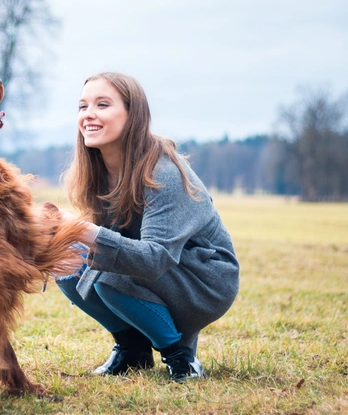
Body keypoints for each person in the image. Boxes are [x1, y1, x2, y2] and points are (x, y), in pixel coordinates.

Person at [55, 71, 240, 382]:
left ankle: (181, 358)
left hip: (204, 278)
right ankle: (133, 350)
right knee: (65, 258)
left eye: (102, 105)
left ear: (133, 114)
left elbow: (155, 258)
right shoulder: (99, 171)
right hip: (160, 270)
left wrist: (82, 230)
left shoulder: (164, 172)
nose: (89, 115)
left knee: (108, 272)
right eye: (82, 106)